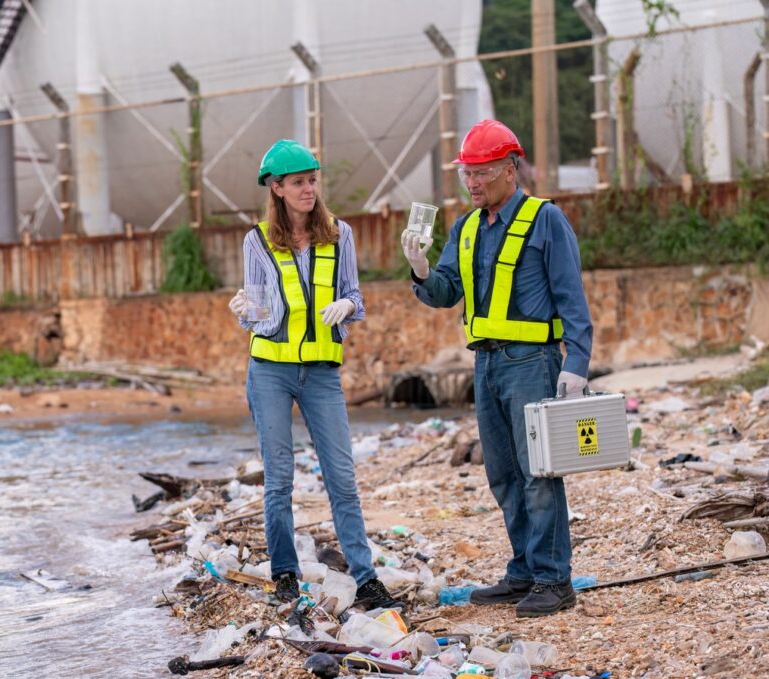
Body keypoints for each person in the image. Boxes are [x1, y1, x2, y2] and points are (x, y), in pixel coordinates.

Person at [401, 120, 592, 618]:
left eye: (482, 172)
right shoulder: (465, 228)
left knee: (538, 473)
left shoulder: (545, 219)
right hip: (485, 364)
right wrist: (421, 270)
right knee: (504, 474)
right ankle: (525, 571)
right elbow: (445, 291)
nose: (473, 183)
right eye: (467, 173)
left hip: (534, 363)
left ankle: (554, 579)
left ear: (510, 169)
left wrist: (577, 363)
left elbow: (572, 296)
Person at [227, 139, 402, 611]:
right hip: (270, 370)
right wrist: (245, 311)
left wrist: (348, 306)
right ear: (277, 188)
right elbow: (262, 312)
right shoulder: (256, 240)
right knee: (279, 478)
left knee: (342, 478)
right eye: (298, 182)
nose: (309, 189)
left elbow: (355, 297)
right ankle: (285, 574)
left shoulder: (339, 233)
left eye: (312, 180)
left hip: (322, 372)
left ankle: (366, 579)